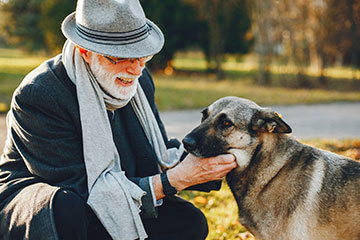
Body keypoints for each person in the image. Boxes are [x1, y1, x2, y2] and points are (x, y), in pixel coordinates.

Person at [0, 0, 237, 239]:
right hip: (49, 202)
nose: (135, 69)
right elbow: (81, 190)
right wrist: (174, 180)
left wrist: (216, 157)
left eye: (142, 55)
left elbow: (155, 155)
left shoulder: (140, 81)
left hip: (116, 189)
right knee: (65, 209)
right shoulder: (41, 93)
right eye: (122, 57)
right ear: (85, 51)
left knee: (188, 222)